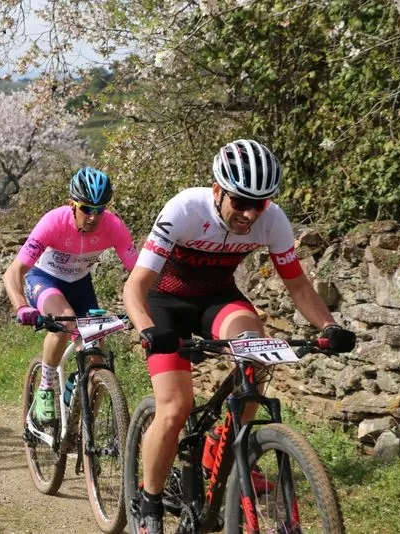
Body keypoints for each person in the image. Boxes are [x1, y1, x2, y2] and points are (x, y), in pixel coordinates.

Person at [122, 139, 357, 533]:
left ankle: (225, 454)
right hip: (167, 304)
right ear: (217, 189)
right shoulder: (184, 209)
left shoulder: (273, 219)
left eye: (259, 204)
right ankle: (150, 501)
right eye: (240, 201)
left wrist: (328, 327)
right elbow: (136, 286)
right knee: (176, 407)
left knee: (259, 353)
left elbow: (298, 287)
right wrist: (148, 330)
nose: (249, 213)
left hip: (217, 299)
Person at [2, 167, 139, 423]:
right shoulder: (53, 222)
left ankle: (84, 433)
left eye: (100, 209)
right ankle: (46, 385)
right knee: (64, 320)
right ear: (71, 205)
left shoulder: (114, 226)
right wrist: (21, 306)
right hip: (44, 279)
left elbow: (140, 272)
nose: (93, 217)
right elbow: (13, 272)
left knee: (98, 357)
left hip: (80, 284)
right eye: (86, 208)